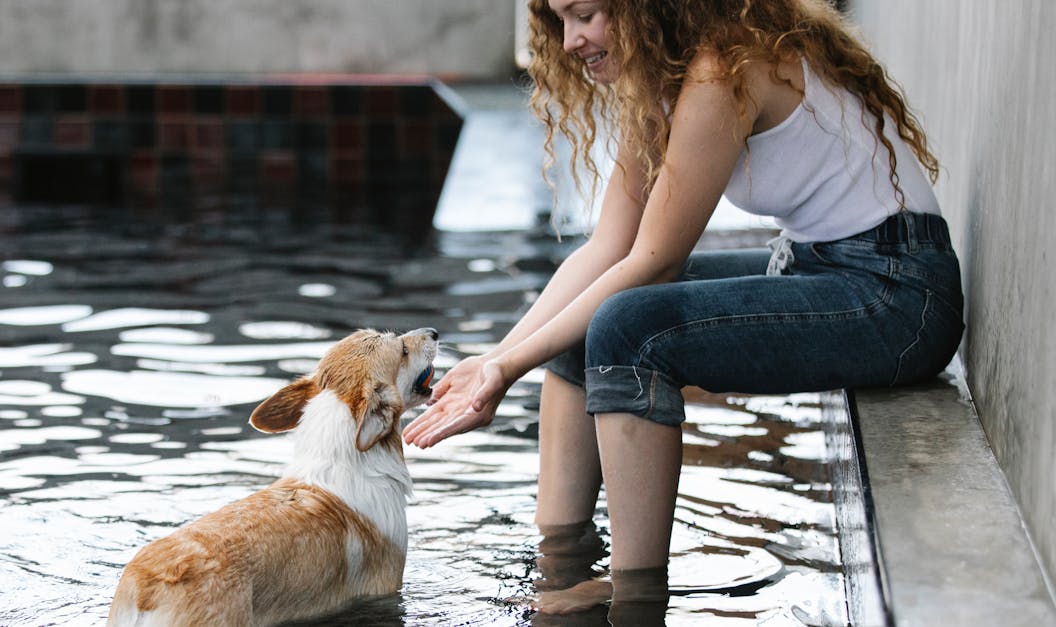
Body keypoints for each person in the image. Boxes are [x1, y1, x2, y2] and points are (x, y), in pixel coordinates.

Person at [403, 0, 964, 618]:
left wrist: (505, 373)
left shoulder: (722, 71)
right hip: (820, 267)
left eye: (586, 14)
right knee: (580, 326)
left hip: (898, 294)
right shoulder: (663, 83)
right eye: (559, 21)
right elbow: (607, 249)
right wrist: (499, 356)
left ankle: (636, 590)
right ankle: (558, 560)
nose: (570, 41)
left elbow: (654, 262)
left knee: (625, 326)